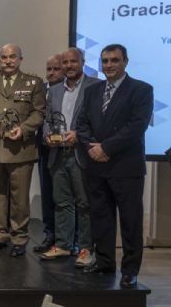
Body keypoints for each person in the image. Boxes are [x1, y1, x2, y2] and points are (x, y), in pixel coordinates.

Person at [77, 44, 153, 288]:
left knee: (131, 222)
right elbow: (82, 124)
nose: (108, 65)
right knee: (101, 218)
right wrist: (92, 148)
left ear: (125, 62)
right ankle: (104, 262)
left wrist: (106, 148)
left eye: (114, 60)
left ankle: (130, 270)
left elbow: (136, 127)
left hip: (126, 168)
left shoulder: (141, 90)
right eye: (105, 61)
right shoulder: (92, 91)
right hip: (96, 167)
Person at [0, 43, 45, 257]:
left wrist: (25, 129)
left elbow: (39, 112)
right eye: (4, 57)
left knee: (19, 197)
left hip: (21, 149)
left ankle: (19, 236)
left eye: (12, 57)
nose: (8, 61)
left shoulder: (33, 83)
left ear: (20, 59)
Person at [40, 48, 98, 268]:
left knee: (84, 204)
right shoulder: (54, 90)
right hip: (58, 154)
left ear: (82, 62)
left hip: (81, 155)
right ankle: (63, 245)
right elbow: (47, 119)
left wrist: (79, 135)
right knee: (61, 202)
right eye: (65, 62)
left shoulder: (94, 87)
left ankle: (85, 248)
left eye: (73, 61)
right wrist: (47, 135)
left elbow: (98, 120)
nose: (69, 66)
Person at [34, 53, 65, 253]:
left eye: (56, 69)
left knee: (64, 197)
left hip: (67, 150)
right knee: (47, 193)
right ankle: (49, 234)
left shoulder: (73, 91)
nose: (52, 73)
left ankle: (65, 239)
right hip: (45, 149)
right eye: (49, 69)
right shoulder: (43, 90)